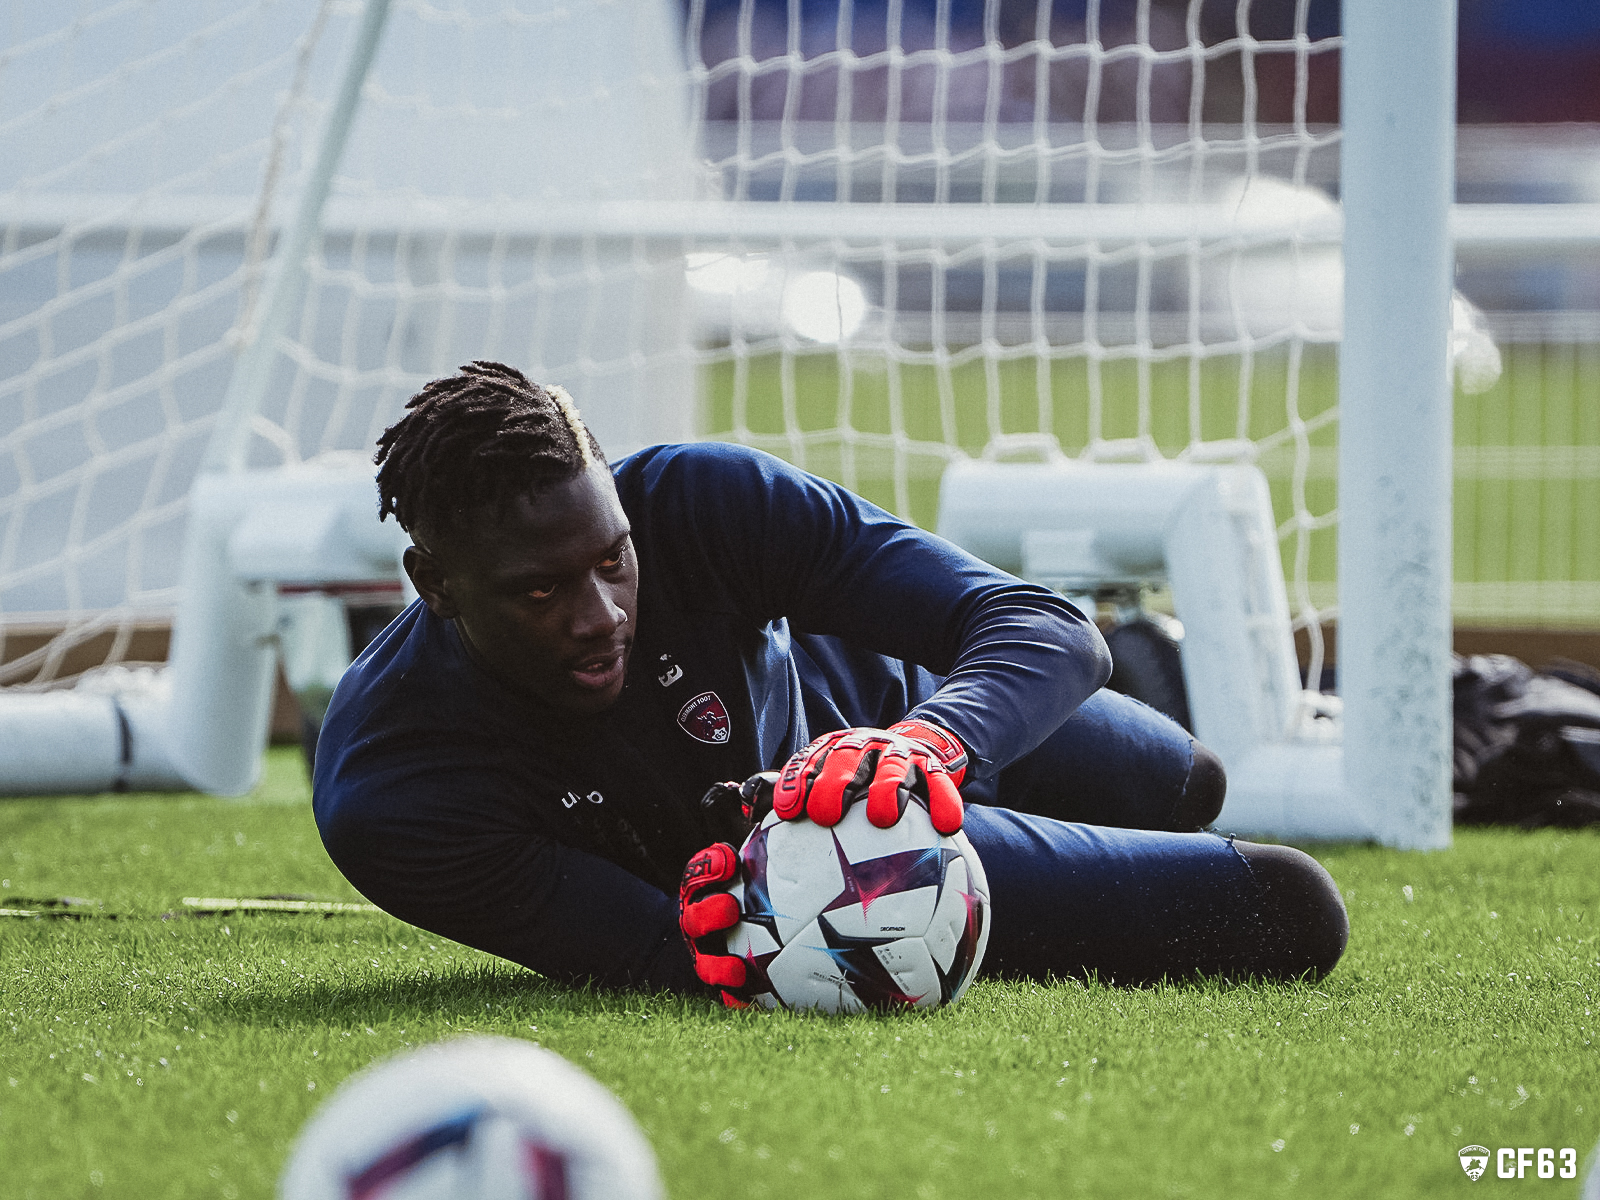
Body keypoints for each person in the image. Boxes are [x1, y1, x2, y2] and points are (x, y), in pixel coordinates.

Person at [312, 361, 1347, 1001]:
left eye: (612, 560)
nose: (600, 614)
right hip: (813, 851)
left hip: (895, 713)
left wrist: (920, 748)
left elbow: (1047, 631)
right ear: (434, 585)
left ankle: (1096, 693)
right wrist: (811, 897)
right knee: (1294, 910)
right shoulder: (391, 789)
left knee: (1184, 784)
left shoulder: (699, 500)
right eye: (538, 593)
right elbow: (676, 957)